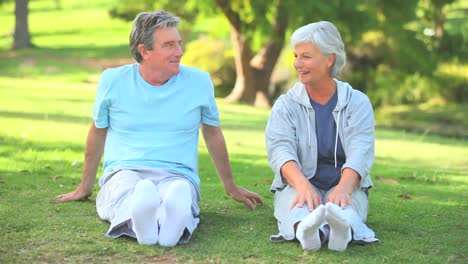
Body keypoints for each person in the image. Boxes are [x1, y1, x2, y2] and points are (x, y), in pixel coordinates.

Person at [54, 10, 263, 247]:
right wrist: (85, 186)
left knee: (179, 192)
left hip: (178, 174)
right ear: (144, 51)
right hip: (125, 171)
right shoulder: (113, 81)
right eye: (169, 45)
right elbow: (98, 131)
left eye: (179, 44)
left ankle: (156, 224)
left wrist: (230, 186)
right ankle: (156, 224)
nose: (180, 51)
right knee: (125, 192)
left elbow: (213, 133)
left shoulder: (199, 82)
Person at [265, 21, 379, 252]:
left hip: (345, 183)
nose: (298, 63)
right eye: (296, 55)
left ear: (330, 59)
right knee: (299, 208)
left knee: (343, 208)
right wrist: (302, 185)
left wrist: (344, 188)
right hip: (299, 182)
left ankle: (337, 231)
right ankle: (309, 232)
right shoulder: (285, 104)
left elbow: (361, 150)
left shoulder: (357, 102)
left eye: (306, 56)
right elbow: (280, 150)